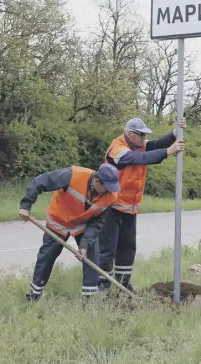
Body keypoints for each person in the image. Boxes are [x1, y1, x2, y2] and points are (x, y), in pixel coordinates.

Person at [97, 117, 185, 294]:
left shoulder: (137, 144)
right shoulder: (118, 149)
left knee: (128, 247)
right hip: (111, 207)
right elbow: (139, 158)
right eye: (141, 136)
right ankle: (102, 286)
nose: (144, 140)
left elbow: (155, 145)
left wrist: (175, 133)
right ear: (130, 134)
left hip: (130, 208)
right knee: (107, 249)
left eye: (145, 136)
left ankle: (123, 284)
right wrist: (168, 151)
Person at [19, 163, 121, 302]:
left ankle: (88, 301)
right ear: (97, 181)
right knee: (47, 256)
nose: (109, 192)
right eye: (107, 188)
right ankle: (34, 296)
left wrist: (84, 245)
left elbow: (97, 222)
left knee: (91, 257)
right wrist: (26, 205)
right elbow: (40, 181)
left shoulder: (111, 197)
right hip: (59, 220)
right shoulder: (73, 175)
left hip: (82, 224)